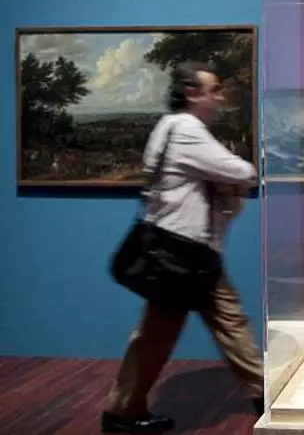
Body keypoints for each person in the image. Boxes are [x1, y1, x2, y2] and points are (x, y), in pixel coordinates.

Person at [101, 62, 263, 433]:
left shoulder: (168, 126)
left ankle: (262, 392)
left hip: (185, 251)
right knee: (161, 334)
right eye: (213, 89)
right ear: (191, 93)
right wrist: (235, 178)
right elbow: (244, 172)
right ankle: (122, 411)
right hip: (184, 253)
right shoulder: (188, 129)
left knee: (221, 323)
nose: (219, 97)